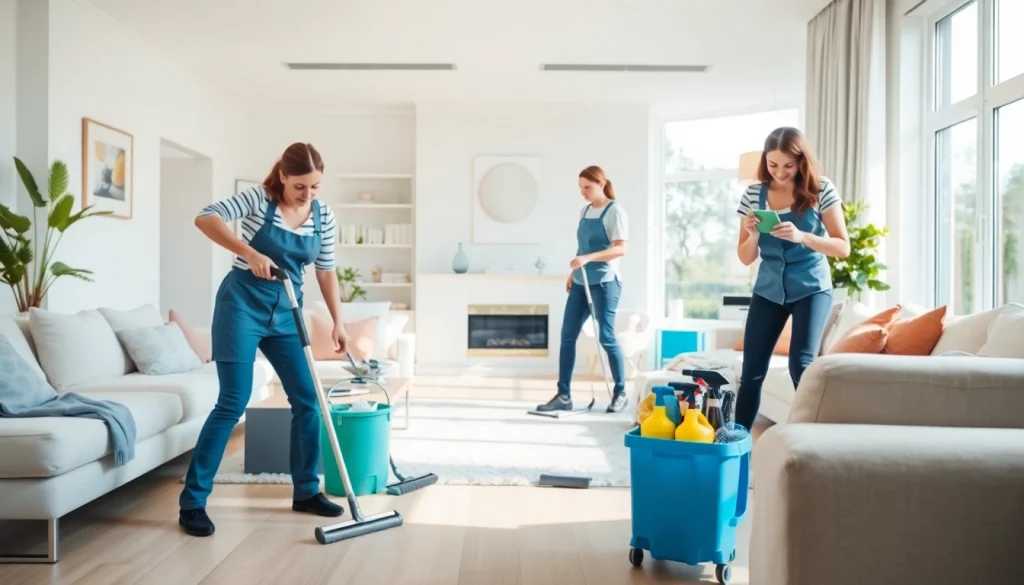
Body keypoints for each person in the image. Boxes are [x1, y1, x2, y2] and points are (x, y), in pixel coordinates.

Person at [178, 142, 347, 537]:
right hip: (241, 307)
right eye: (300, 186)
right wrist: (247, 250)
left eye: (315, 187)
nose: (307, 195)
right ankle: (193, 502)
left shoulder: (324, 217)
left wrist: (338, 322)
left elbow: (326, 271)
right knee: (231, 402)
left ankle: (306, 491)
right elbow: (205, 218)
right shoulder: (259, 198)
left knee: (309, 400)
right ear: (283, 176)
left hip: (287, 311)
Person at [734, 127, 850, 432]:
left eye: (788, 165)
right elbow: (746, 257)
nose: (780, 173)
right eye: (773, 165)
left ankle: (816, 438)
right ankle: (734, 446)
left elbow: (842, 246)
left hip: (811, 287)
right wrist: (753, 233)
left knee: (801, 364)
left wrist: (803, 237)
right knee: (752, 372)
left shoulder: (821, 189)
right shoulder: (752, 194)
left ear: (802, 161)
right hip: (769, 289)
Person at [535, 165, 630, 414]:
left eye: (587, 187)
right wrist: (573, 272)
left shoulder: (615, 211)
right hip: (580, 281)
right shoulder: (584, 211)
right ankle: (564, 395)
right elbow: (581, 248)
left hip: (605, 283)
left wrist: (589, 258)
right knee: (567, 337)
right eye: (580, 188)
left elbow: (620, 249)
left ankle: (621, 392)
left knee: (606, 338)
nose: (583, 192)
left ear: (601, 184)